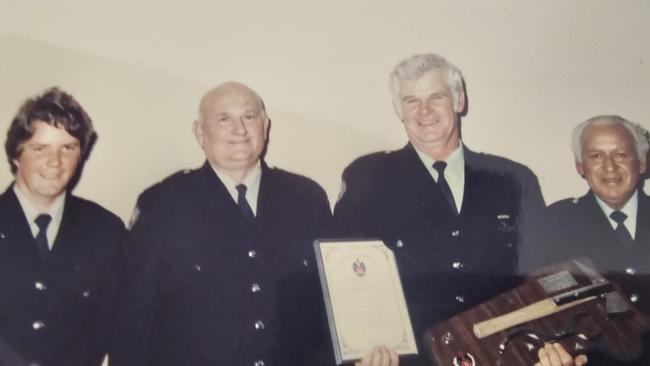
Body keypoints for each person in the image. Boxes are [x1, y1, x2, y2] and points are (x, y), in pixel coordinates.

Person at [333, 53, 546, 366]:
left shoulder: (514, 179)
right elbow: (347, 280)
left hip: (501, 354)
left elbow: (539, 274)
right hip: (408, 358)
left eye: (437, 97)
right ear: (398, 109)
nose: (425, 111)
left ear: (459, 101)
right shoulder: (367, 178)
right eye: (411, 100)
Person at [110, 82, 332, 366]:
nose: (239, 130)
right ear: (200, 132)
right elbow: (133, 318)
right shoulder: (164, 204)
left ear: (265, 126)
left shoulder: (306, 198)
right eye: (224, 119)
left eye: (249, 117)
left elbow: (330, 303)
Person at [0, 87, 124, 366]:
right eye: (40, 148)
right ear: (16, 155)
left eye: (68, 148)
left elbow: (118, 329)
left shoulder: (105, 231)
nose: (55, 162)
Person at [536, 115, 650, 365]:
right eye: (596, 156)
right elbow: (543, 306)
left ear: (641, 162)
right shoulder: (554, 223)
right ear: (580, 167)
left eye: (621, 154)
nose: (610, 166)